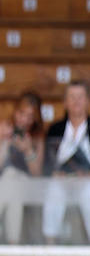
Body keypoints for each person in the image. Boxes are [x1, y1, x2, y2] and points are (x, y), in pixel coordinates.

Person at [41, 81, 90, 244]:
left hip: (88, 181)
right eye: (72, 97)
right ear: (64, 102)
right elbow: (48, 162)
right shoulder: (55, 129)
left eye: (80, 97)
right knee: (54, 192)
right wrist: (57, 174)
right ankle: (49, 247)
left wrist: (89, 175)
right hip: (61, 180)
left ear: (88, 101)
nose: (76, 101)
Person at [0, 92, 44, 244]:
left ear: (35, 120)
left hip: (26, 186)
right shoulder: (4, 128)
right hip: (8, 185)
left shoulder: (37, 138)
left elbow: (37, 175)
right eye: (21, 113)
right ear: (15, 111)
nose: (24, 119)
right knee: (12, 183)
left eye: (30, 116)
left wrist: (28, 151)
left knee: (13, 177)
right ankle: (13, 246)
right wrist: (3, 141)